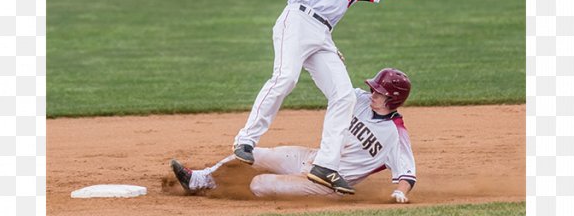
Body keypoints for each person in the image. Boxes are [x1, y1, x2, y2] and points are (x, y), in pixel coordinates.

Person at [230, 0, 436, 195]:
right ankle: (245, 140)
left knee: (344, 96)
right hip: (298, 20)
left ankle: (324, 166)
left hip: (323, 35)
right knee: (286, 78)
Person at [177, 69, 417, 202]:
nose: (373, 93)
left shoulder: (395, 135)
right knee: (253, 154)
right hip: (311, 158)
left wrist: (400, 192)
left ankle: (227, 194)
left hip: (326, 183)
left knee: (259, 184)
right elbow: (334, 84)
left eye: (379, 92)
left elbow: (407, 172)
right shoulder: (359, 99)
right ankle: (198, 180)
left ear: (393, 99)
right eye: (373, 88)